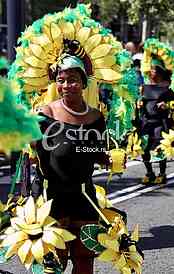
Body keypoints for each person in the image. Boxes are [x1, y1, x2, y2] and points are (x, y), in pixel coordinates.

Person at [33, 54, 110, 274]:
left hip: (84, 197)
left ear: (84, 83)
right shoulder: (45, 115)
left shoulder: (96, 117)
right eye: (62, 79)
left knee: (85, 260)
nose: (67, 85)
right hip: (53, 199)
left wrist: (108, 158)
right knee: (54, 265)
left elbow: (94, 151)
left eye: (73, 79)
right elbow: (34, 154)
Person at [138, 57, 174, 184]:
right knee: (144, 147)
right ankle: (149, 173)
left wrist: (167, 104)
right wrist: (138, 102)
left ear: (159, 72)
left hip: (160, 122)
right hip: (145, 121)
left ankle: (162, 173)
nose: (151, 72)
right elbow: (139, 100)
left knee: (159, 146)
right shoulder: (144, 87)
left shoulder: (167, 88)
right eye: (151, 70)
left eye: (154, 70)